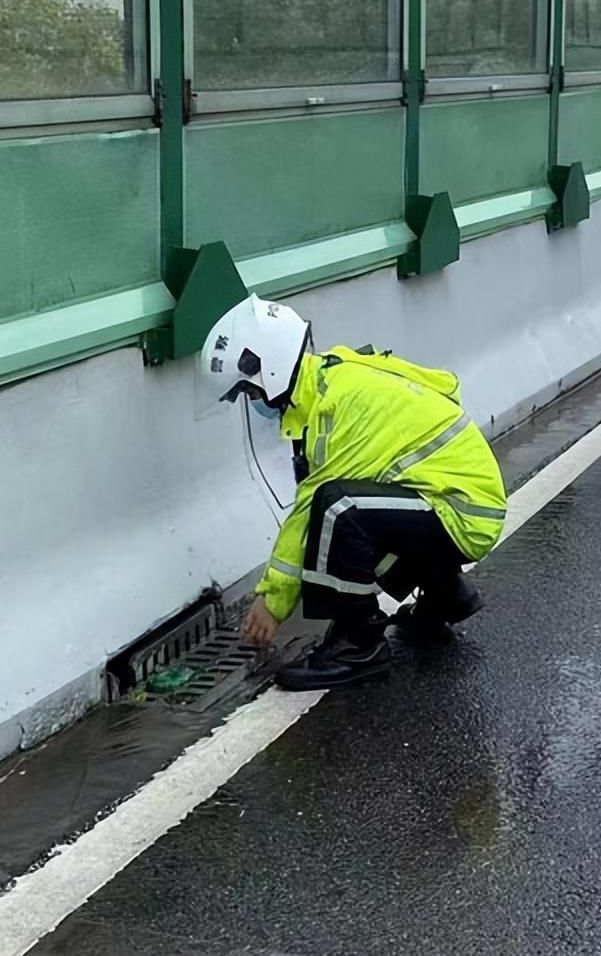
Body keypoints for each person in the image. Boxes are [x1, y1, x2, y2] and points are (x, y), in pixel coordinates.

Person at [200, 294, 508, 690]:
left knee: (339, 511)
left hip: (463, 511)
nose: (254, 402)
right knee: (369, 511)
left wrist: (273, 602)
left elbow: (309, 508)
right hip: (459, 498)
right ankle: (446, 595)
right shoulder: (336, 370)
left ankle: (358, 644)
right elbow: (443, 383)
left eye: (250, 391)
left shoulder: (334, 412)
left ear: (268, 370)